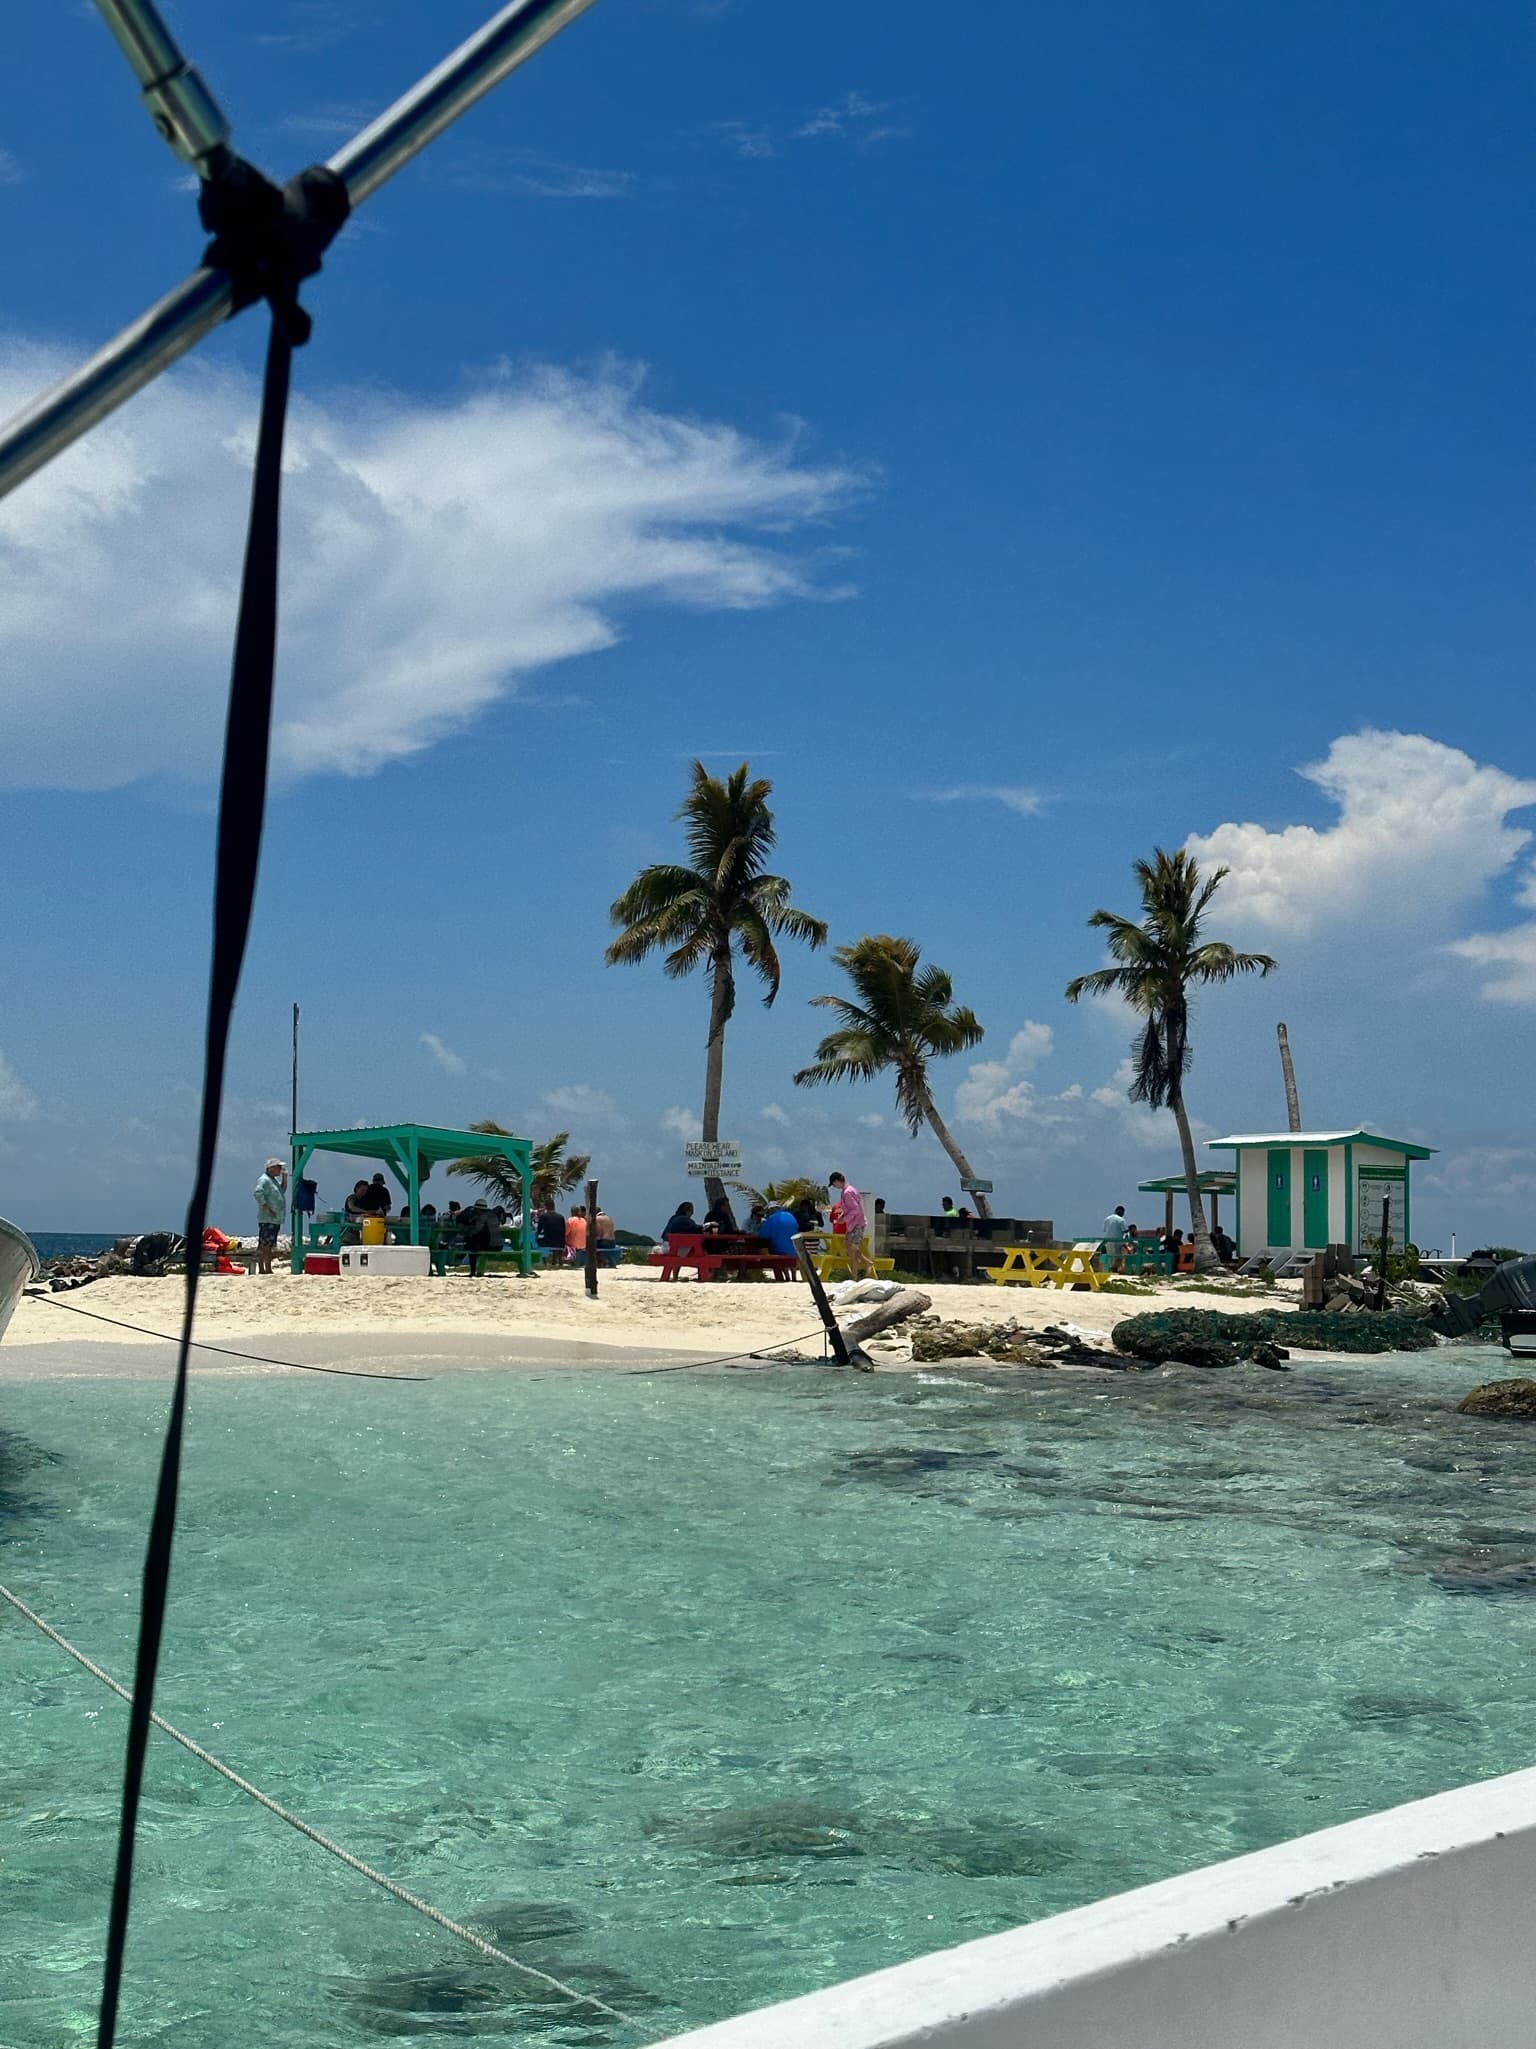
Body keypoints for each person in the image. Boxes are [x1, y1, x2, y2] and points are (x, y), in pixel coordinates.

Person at [828, 1170, 872, 1280]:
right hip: (853, 1224)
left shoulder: (847, 1192)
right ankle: (866, 1263)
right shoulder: (847, 1190)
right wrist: (842, 1215)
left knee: (852, 1249)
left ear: (838, 1181)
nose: (834, 1186)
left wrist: (844, 1219)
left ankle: (854, 1276)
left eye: (834, 1184)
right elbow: (850, 1208)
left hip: (857, 1223)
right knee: (849, 1247)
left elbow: (856, 1209)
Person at [252, 1158, 286, 1276]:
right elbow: (258, 1192)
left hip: (274, 1218)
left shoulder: (273, 1180)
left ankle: (266, 1267)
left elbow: (281, 1191)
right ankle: (263, 1268)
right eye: (278, 1167)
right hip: (267, 1218)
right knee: (265, 1244)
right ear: (271, 1168)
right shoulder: (264, 1180)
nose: (280, 1170)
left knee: (269, 1244)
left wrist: (284, 1179)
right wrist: (266, 1207)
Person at [1102, 1203, 1129, 1272]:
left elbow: (1105, 1230)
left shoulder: (1107, 1218)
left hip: (1107, 1241)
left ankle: (1110, 1271)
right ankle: (1114, 1271)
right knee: (1116, 1257)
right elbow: (1125, 1230)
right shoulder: (1121, 1220)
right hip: (1117, 1241)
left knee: (1110, 1257)